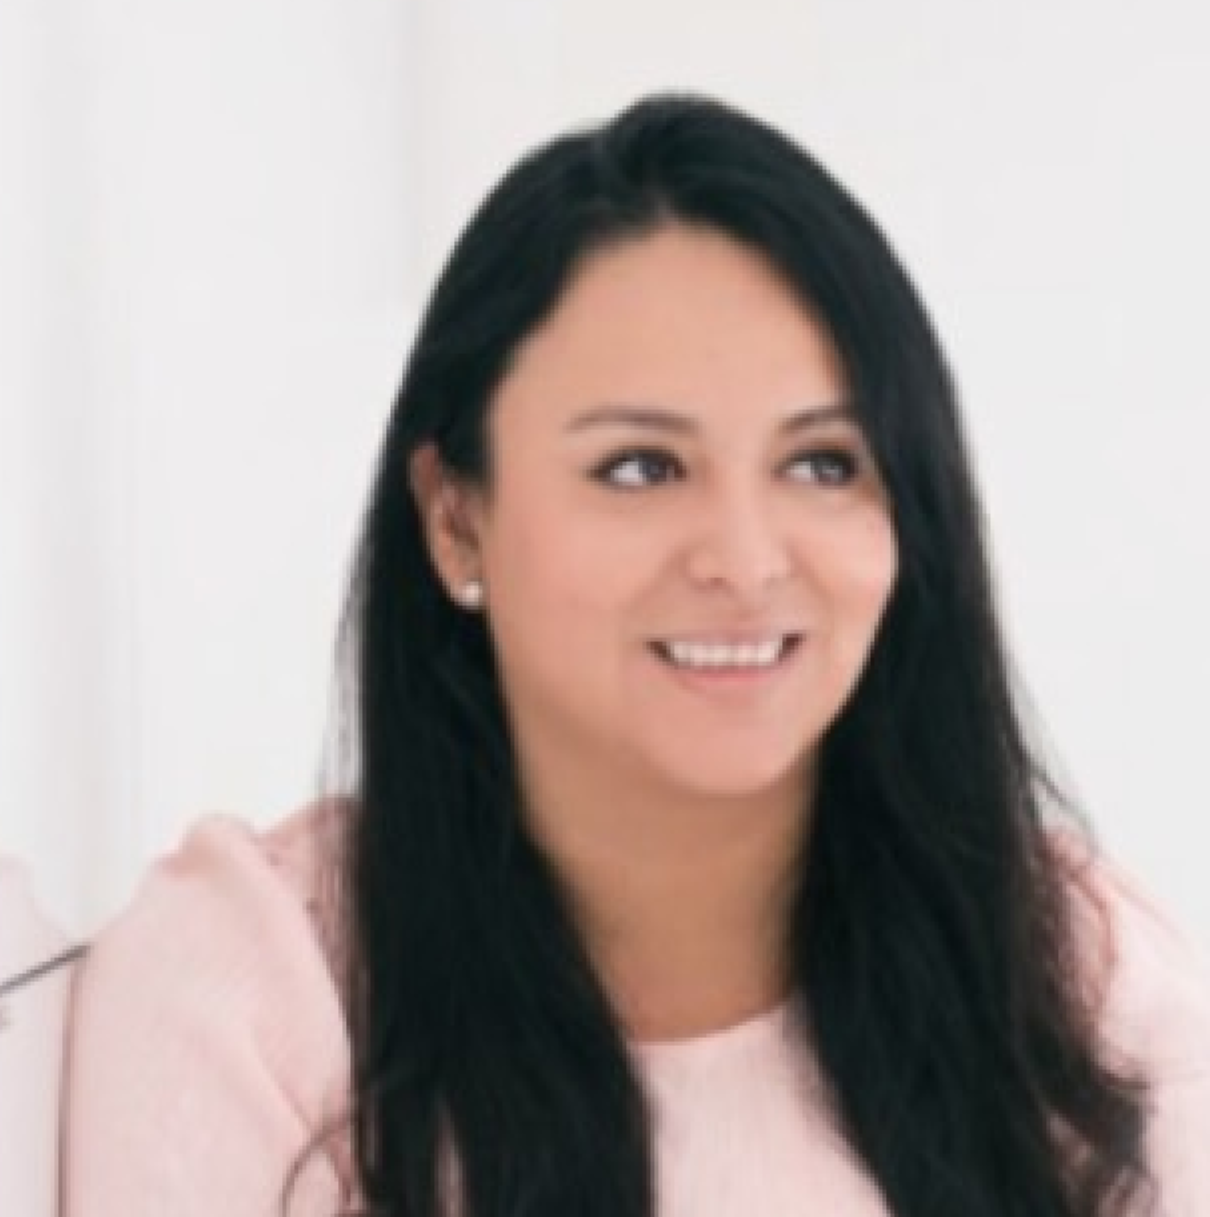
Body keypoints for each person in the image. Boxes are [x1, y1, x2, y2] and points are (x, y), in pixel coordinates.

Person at [62, 93, 1210, 1217]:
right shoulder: (260, 988)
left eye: (820, 463)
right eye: (640, 468)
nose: (745, 559)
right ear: (455, 515)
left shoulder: (1078, 984)